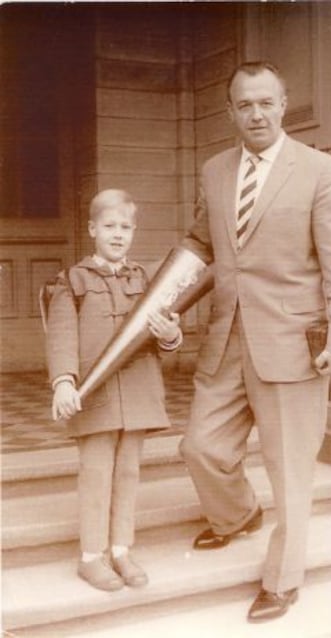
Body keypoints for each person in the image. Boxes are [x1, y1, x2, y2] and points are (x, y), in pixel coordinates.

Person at [180, 61, 331, 623]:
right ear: (230, 111)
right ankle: (236, 516)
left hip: (292, 342)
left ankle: (282, 581)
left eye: (265, 102)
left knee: (290, 472)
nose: (255, 113)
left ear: (283, 105)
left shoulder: (318, 171)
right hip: (226, 338)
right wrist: (160, 307)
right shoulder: (213, 170)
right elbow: (198, 244)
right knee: (199, 447)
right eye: (244, 104)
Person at [46, 188, 182, 591]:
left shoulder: (147, 280)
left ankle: (121, 549)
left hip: (138, 391)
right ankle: (92, 556)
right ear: (92, 230)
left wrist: (171, 334)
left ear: (134, 231)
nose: (118, 234)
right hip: (95, 393)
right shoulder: (72, 280)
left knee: (128, 472)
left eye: (125, 227)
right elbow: (61, 335)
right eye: (109, 226)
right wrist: (64, 382)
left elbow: (166, 337)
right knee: (96, 472)